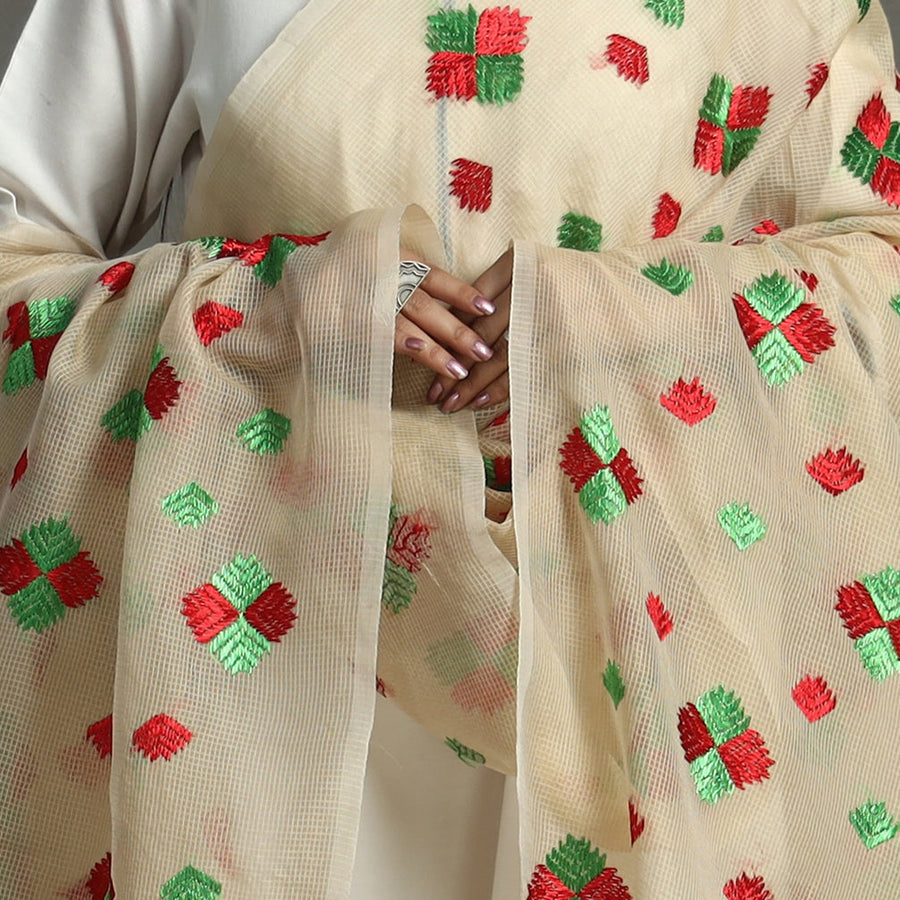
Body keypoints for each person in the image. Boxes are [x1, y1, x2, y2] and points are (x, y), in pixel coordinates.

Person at [2, 1, 900, 897]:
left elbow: (878, 274)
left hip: (639, 655)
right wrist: (289, 311)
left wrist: (610, 316)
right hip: (260, 636)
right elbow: (16, 272)